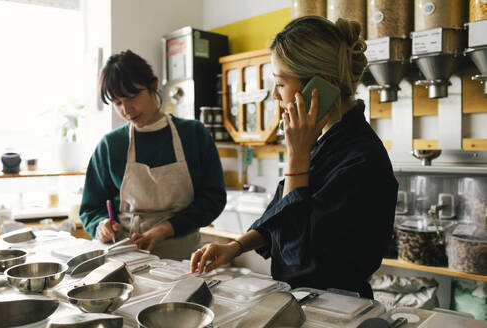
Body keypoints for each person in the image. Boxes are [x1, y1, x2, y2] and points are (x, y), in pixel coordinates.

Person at [190, 16, 398, 299]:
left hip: (340, 310)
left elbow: (297, 255)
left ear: (319, 86)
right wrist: (235, 247)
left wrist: (296, 158)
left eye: (280, 83)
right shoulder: (321, 140)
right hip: (306, 302)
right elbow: (284, 212)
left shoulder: (362, 160)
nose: (275, 95)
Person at [80, 50, 226, 260]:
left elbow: (213, 198)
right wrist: (100, 225)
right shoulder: (110, 145)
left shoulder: (193, 134)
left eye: (132, 97)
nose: (127, 110)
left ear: (154, 85)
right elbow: (90, 208)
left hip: (183, 255)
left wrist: (167, 228)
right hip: (126, 255)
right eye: (117, 103)